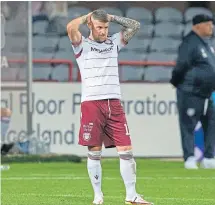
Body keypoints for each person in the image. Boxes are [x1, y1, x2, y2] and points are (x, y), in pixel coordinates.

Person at [67, 9, 153, 205]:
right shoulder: (82, 45)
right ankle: (98, 196)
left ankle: (131, 195)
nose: (103, 31)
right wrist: (87, 16)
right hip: (92, 104)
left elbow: (135, 26)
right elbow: (70, 27)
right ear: (90, 25)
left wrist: (112, 17)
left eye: (106, 27)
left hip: (114, 103)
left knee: (126, 151)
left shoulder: (113, 43)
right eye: (99, 27)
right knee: (94, 152)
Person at [170, 14, 215, 169]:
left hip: (207, 93)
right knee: (188, 125)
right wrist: (175, 82)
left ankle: (209, 157)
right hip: (190, 92)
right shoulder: (189, 43)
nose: (212, 27)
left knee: (210, 124)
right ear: (197, 26)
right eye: (208, 24)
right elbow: (181, 65)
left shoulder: (207, 44)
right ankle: (189, 157)